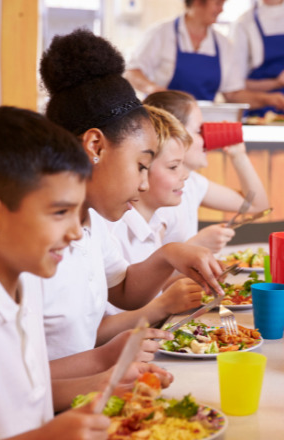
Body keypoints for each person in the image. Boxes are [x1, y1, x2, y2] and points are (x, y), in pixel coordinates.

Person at [0, 106, 172, 440]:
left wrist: (100, 378)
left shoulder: (22, 283)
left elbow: (19, 395)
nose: (76, 232)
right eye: (60, 213)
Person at [39, 29, 224, 361]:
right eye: (141, 165)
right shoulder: (37, 246)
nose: (143, 184)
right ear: (95, 147)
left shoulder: (90, 220)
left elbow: (123, 289)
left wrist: (169, 254)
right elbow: (24, 380)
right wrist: (107, 361)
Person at [98, 105, 204, 339]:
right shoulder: (110, 230)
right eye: (174, 166)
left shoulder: (154, 224)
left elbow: (142, 295)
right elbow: (96, 331)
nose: (185, 175)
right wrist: (164, 304)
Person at [145, 90, 270, 252]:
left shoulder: (191, 182)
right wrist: (197, 245)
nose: (207, 138)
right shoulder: (159, 197)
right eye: (199, 131)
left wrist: (239, 156)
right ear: (174, 134)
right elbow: (145, 272)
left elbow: (257, 206)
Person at [124, 0, 284, 112]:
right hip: (162, 122)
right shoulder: (161, 33)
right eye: (218, 3)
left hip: (202, 126)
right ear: (198, 2)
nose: (221, 9)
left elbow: (233, 94)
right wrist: (152, 88)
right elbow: (131, 72)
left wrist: (268, 99)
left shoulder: (223, 44)